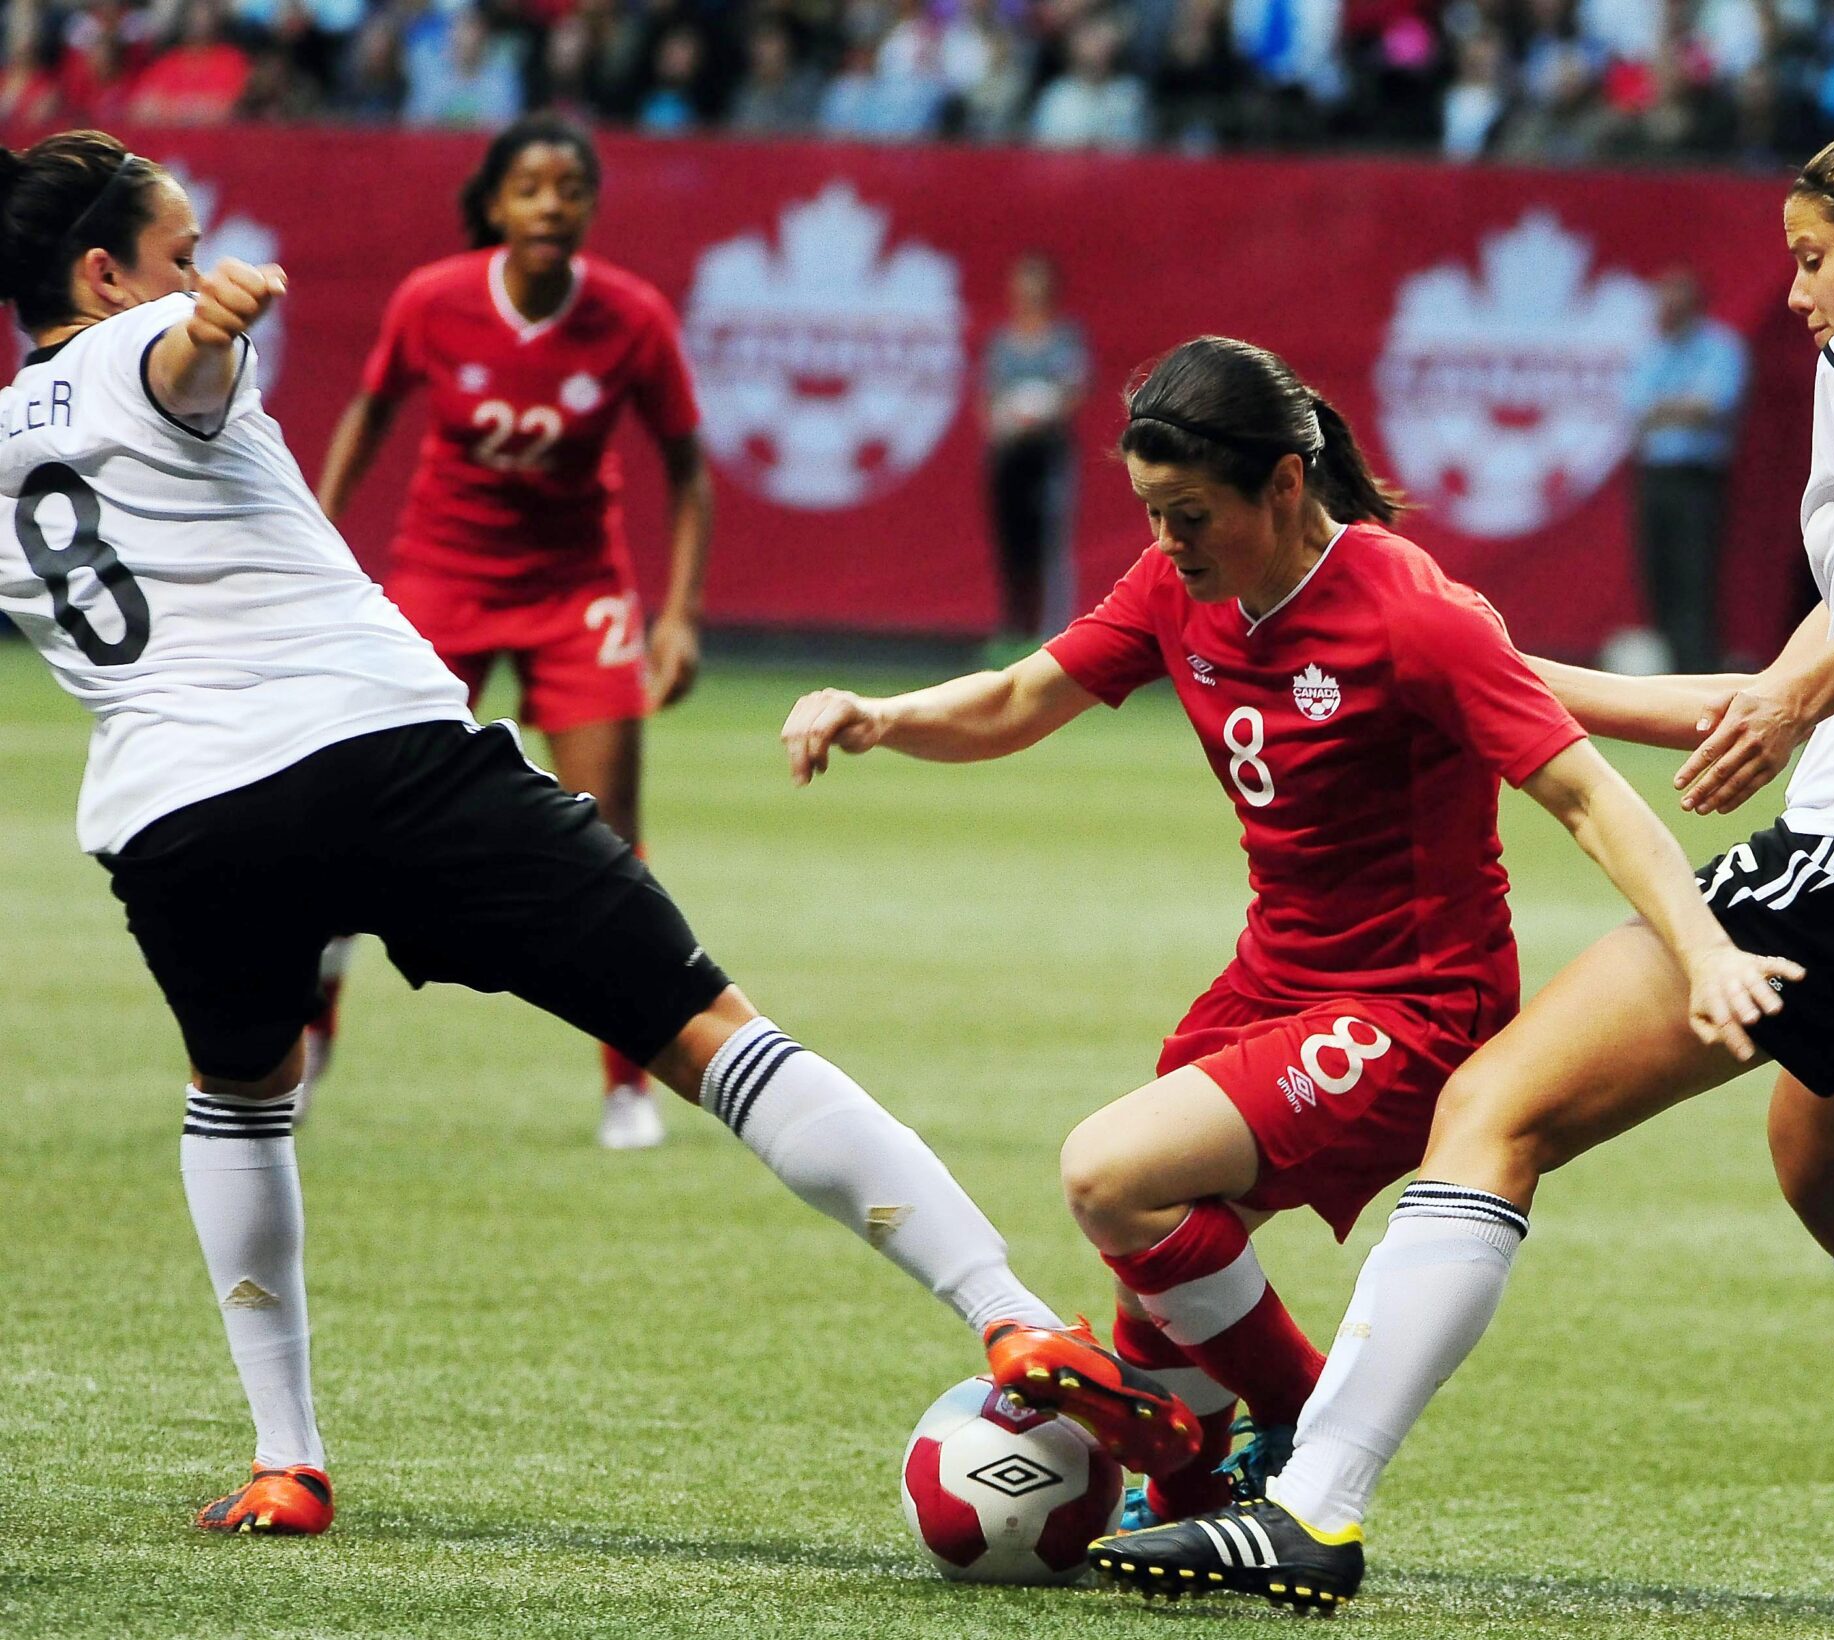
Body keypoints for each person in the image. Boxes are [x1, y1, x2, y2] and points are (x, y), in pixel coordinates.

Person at [0, 129, 1196, 1541]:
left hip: (176, 826)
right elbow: (175, 374)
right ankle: (1006, 1313)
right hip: (381, 760)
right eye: (179, 249)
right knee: (713, 1031)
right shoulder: (164, 348)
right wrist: (198, 327)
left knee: (241, 1099)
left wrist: (189, 325)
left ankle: (286, 1458)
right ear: (102, 269)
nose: (202, 272)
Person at [1092, 119, 1834, 1616]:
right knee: (1830, 1165)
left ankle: (1310, 1504)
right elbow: (1766, 679)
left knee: (1491, 1105)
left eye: (1813, 257)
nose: (1797, 298)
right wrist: (1485, 667)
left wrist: (1793, 704)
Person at [780, 335, 1799, 1533]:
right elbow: (1017, 699)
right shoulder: (1177, 588)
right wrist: (878, 713)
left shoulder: (1415, 613)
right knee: (1156, 1294)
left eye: (1192, 513)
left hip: (1415, 1003)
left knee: (1112, 1177)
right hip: (1276, 978)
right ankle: (1197, 1484)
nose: (1167, 542)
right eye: (1152, 512)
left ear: (1283, 485)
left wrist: (1705, 948)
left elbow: (1582, 793)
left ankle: (1306, 1418)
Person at [311, 116, 710, 1148]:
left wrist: (677, 615)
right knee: (360, 799)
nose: (550, 204)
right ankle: (314, 1014)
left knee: (609, 827)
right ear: (494, 204)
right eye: (529, 187)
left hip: (576, 584)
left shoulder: (630, 316)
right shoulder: (432, 299)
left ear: (589, 206)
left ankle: (628, 1080)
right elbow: (368, 410)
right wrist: (312, 542)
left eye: (570, 187)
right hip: (442, 571)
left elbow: (686, 466)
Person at [1624, 267, 1751, 673]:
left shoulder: (1720, 347)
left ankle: (1700, 672)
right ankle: (1669, 670)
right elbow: (1634, 411)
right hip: (1653, 477)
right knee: (1657, 576)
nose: (1665, 309)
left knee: (1693, 576)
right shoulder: (1650, 351)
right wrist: (1679, 407)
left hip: (1697, 479)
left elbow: (1711, 407)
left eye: (1673, 300)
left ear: (1694, 304)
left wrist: (1666, 408)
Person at [981, 253, 1089, 650]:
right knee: (1013, 545)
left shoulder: (1064, 340)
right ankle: (1014, 627)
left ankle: (1054, 635)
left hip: (1049, 454)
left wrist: (1040, 412)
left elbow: (1074, 389)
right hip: (1010, 457)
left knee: (1050, 544)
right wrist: (1004, 423)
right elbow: (988, 399)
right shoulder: (1003, 344)